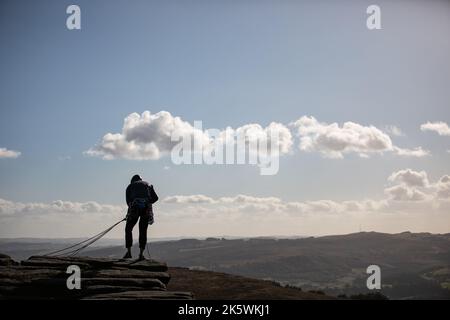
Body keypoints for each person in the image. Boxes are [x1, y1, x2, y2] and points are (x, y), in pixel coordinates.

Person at [123, 174, 158, 260]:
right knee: (143, 231)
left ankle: (129, 252)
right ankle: (141, 254)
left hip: (134, 209)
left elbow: (129, 203)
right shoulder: (148, 185)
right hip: (146, 209)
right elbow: (155, 198)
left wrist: (129, 214)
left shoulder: (130, 186)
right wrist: (147, 201)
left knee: (128, 229)